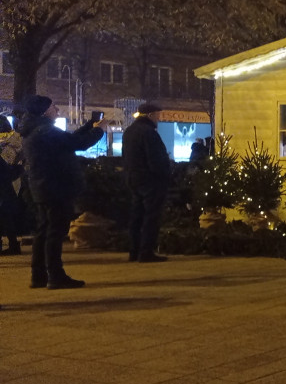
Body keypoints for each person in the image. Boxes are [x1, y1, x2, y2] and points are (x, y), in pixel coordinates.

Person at [19, 96, 106, 289]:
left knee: (44, 231)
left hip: (43, 186)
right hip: (56, 188)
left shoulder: (35, 129)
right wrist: (99, 130)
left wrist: (89, 125)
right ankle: (55, 275)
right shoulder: (46, 130)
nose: (57, 110)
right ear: (44, 111)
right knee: (55, 232)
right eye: (53, 107)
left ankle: (39, 275)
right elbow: (78, 144)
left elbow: (68, 141)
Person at [122, 102, 173, 263]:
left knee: (137, 216)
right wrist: (165, 174)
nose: (159, 118)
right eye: (158, 115)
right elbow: (156, 159)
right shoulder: (149, 132)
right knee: (151, 216)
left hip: (133, 178)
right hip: (150, 180)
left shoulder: (129, 131)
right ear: (150, 115)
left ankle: (134, 251)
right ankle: (146, 252)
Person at [0, 116, 25, 255]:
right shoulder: (15, 140)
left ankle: (13, 245)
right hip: (9, 183)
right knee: (6, 215)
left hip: (5, 183)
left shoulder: (10, 143)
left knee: (5, 215)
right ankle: (13, 244)